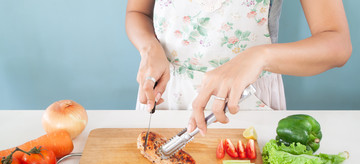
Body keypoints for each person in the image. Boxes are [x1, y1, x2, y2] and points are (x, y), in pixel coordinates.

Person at [125, 0, 351, 135]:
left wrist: (259, 57)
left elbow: (337, 44)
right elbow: (138, 12)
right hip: (165, 95)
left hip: (246, 99)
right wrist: (149, 48)